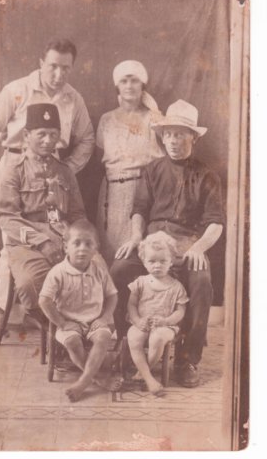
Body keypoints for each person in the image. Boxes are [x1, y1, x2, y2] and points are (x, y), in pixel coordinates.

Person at [0, 38, 95, 334]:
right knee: (13, 243)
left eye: (65, 68)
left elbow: (87, 139)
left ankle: (68, 316)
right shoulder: (17, 90)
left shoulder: (73, 98)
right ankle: (3, 308)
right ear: (41, 63)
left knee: (61, 235)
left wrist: (68, 170)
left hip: (54, 168)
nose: (59, 74)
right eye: (53, 66)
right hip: (16, 164)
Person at [110, 99, 225, 388]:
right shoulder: (152, 170)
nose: (173, 140)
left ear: (194, 138)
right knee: (120, 269)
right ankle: (128, 343)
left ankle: (188, 360)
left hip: (187, 244)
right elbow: (139, 210)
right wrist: (136, 237)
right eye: (169, 134)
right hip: (151, 243)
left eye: (181, 134)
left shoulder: (207, 175)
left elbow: (215, 222)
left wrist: (199, 247)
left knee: (201, 281)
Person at [0, 103, 86, 327]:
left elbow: (77, 214)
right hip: (27, 244)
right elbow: (7, 217)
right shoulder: (12, 170)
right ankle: (57, 329)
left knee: (96, 272)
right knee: (29, 284)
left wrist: (77, 241)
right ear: (27, 135)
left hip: (64, 240)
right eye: (41, 134)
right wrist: (42, 242)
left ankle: (80, 333)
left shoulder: (64, 171)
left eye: (53, 134)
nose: (48, 140)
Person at [39, 219, 122, 402]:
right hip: (69, 322)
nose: (82, 249)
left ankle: (83, 381)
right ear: (65, 246)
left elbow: (112, 296)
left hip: (95, 320)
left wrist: (106, 316)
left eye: (88, 244)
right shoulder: (58, 272)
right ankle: (98, 377)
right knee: (72, 342)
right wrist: (61, 322)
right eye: (76, 243)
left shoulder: (99, 270)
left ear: (96, 248)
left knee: (103, 338)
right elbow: (44, 300)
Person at [96, 60, 164, 265]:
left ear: (143, 85)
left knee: (139, 253)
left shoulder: (154, 118)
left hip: (142, 190)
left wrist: (156, 113)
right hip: (112, 193)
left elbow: (165, 152)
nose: (129, 85)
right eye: (124, 81)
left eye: (135, 80)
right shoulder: (106, 120)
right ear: (117, 85)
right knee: (110, 251)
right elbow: (102, 153)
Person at [127, 231, 188, 396]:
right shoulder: (140, 282)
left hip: (165, 325)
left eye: (163, 261)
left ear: (171, 262)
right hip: (141, 322)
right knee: (134, 338)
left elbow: (180, 311)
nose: (157, 265)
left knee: (157, 338)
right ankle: (149, 378)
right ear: (144, 262)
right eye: (152, 261)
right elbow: (131, 305)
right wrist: (137, 320)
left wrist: (166, 321)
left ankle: (143, 373)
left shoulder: (176, 287)